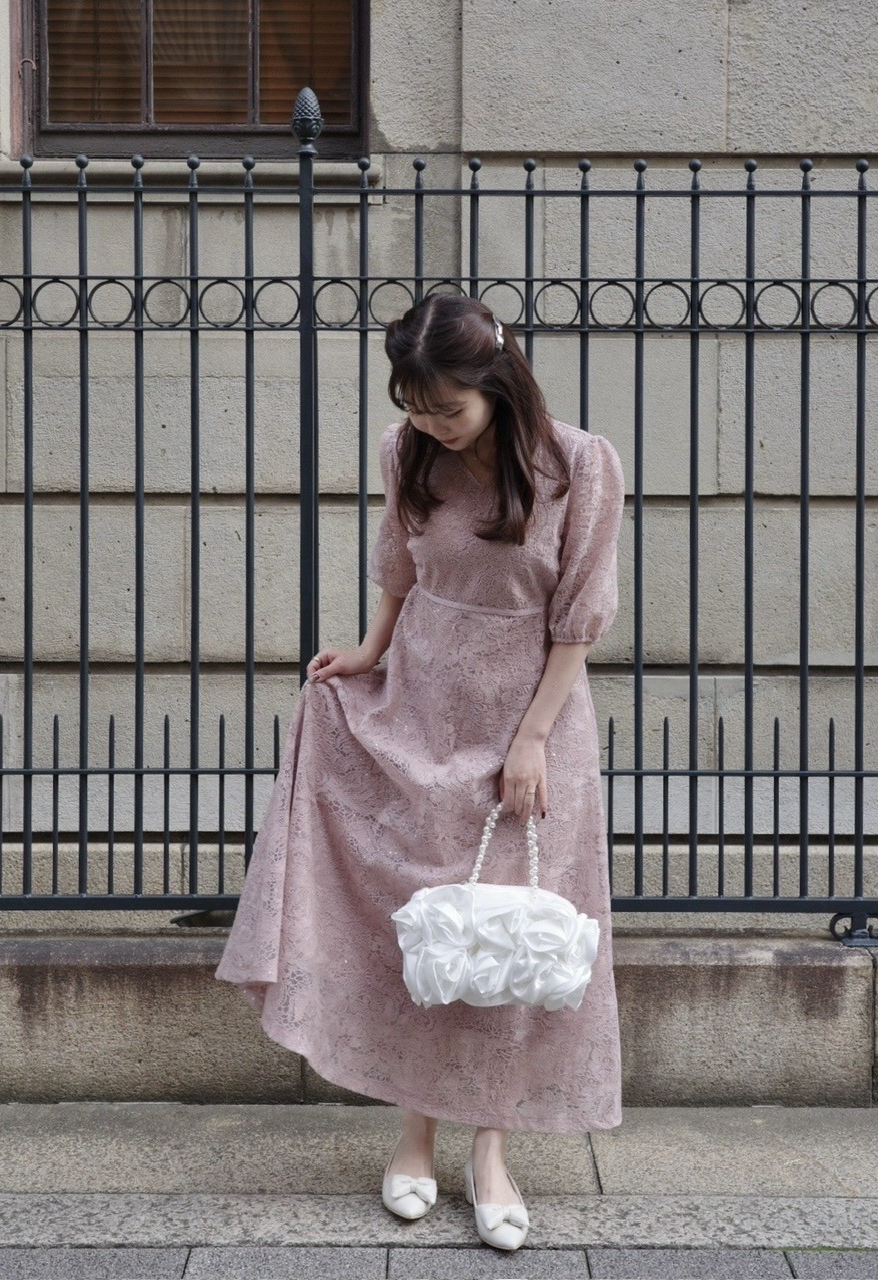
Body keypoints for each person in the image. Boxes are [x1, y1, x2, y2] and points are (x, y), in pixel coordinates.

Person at [214, 293, 625, 1252]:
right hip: (424, 706)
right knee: (430, 931)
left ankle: (491, 1154)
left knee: (508, 937)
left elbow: (580, 617)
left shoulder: (577, 464)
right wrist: (367, 653)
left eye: (450, 408)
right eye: (417, 406)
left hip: (533, 721)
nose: (433, 424)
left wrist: (531, 739)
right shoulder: (407, 452)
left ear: (498, 382)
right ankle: (413, 1140)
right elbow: (400, 570)